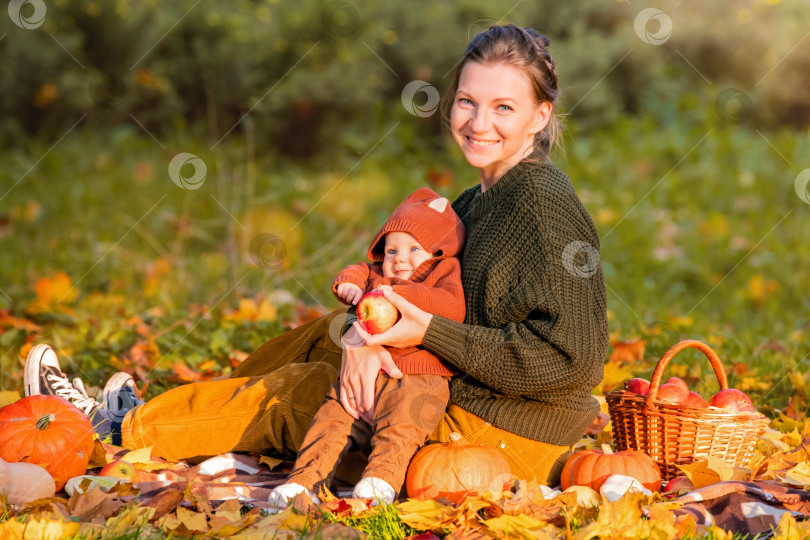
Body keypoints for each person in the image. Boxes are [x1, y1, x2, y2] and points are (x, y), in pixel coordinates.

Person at [25, 23, 608, 489]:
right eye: (467, 102)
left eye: (504, 108)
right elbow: (411, 284)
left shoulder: (539, 203)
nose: (479, 124)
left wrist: (424, 334)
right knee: (326, 336)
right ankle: (172, 424)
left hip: (510, 433)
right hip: (460, 387)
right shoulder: (477, 198)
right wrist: (369, 338)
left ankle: (108, 430)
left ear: (540, 116)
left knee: (303, 392)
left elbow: (574, 361)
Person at [269, 187, 466, 508]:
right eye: (391, 251)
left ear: (439, 252)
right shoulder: (378, 274)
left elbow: (450, 308)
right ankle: (304, 482)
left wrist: (394, 291)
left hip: (419, 376)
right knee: (331, 418)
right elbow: (360, 270)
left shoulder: (443, 273)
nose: (400, 258)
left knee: (402, 426)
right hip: (366, 379)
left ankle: (381, 480)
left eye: (414, 249)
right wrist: (348, 283)